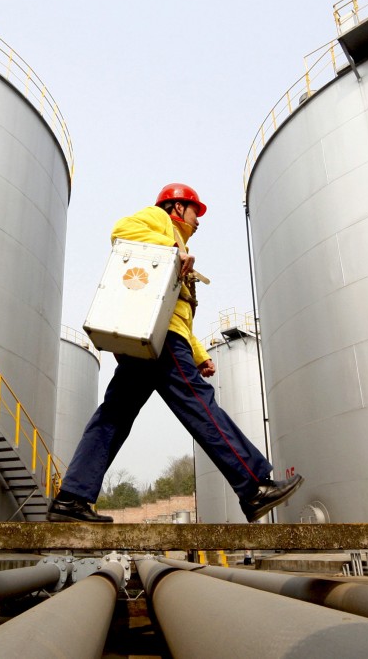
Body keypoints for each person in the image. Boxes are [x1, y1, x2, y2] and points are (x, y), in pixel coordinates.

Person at [48, 183, 303, 523]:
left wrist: (199, 355)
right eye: (196, 211)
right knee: (200, 406)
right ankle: (254, 485)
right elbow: (121, 230)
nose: (199, 220)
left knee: (113, 416)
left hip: (157, 334)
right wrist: (170, 247)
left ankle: (71, 499)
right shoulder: (160, 222)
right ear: (178, 207)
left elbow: (179, 312)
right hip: (161, 338)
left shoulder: (181, 249)